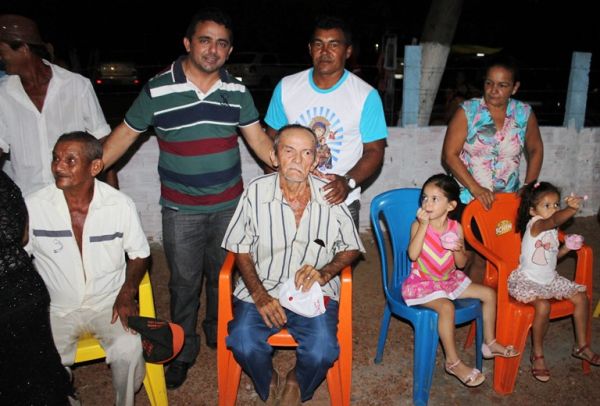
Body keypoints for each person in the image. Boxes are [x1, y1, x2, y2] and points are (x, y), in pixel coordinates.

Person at [100, 8, 274, 389]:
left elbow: (259, 140)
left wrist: (289, 162)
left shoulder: (237, 91)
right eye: (205, 40)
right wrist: (93, 164)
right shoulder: (158, 89)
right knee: (183, 284)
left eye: (222, 43)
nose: (213, 49)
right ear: (188, 43)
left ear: (229, 51)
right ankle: (182, 349)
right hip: (181, 209)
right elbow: (124, 135)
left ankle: (217, 331)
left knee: (221, 278)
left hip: (229, 206)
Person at [222, 125, 364, 405]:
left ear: (315, 160)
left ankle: (296, 380)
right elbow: (240, 247)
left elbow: (351, 247)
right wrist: (260, 295)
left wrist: (324, 273)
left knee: (322, 350)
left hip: (312, 291)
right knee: (242, 341)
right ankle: (268, 380)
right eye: (289, 151)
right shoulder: (256, 192)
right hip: (263, 286)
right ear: (274, 157)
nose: (298, 160)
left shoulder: (331, 195)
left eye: (306, 153)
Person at [25, 132, 149, 406]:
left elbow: (140, 254)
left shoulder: (119, 205)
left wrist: (127, 293)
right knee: (37, 360)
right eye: (56, 158)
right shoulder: (33, 207)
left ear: (95, 167)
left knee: (129, 349)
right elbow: (19, 259)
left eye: (70, 160)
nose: (59, 166)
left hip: (107, 302)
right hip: (56, 307)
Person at [264, 15, 388, 228]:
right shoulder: (286, 88)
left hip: (340, 201)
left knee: (339, 251)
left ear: (348, 51)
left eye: (334, 45)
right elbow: (269, 143)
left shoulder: (365, 95)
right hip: (289, 200)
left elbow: (375, 151)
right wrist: (279, 185)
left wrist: (347, 182)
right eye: (319, 44)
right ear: (310, 48)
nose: (325, 51)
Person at [402, 174, 519, 388]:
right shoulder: (417, 226)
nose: (427, 203)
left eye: (435, 199)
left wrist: (457, 249)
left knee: (488, 294)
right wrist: (423, 226)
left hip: (448, 280)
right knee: (446, 307)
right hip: (423, 283)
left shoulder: (456, 228)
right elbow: (412, 254)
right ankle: (452, 362)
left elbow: (461, 263)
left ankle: (489, 343)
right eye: (425, 197)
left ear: (451, 205)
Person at [442, 55, 544, 282]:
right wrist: (476, 189)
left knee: (490, 257)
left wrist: (529, 186)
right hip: (468, 197)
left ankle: (481, 301)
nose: (493, 90)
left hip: (506, 200)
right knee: (464, 257)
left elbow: (536, 149)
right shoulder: (468, 111)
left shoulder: (523, 113)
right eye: (489, 83)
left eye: (502, 85)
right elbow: (449, 155)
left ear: (514, 88)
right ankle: (455, 298)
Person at [0, 14, 114, 195]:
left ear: (23, 48)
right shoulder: (3, 94)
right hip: (28, 199)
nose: (1, 58)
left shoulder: (77, 86)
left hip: (74, 196)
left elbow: (103, 142)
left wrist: (112, 191)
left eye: (2, 51)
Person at [508, 181, 599, 382]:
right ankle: (537, 354)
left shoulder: (551, 230)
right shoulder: (537, 224)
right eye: (547, 205)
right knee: (543, 307)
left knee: (581, 297)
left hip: (549, 280)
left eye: (556, 204)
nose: (553, 209)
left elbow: (551, 257)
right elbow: (554, 220)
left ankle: (581, 346)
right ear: (533, 211)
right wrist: (571, 210)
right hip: (528, 280)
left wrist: (567, 247)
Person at [0, 170, 74, 405]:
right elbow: (22, 237)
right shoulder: (5, 183)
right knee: (39, 369)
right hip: (27, 289)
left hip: (12, 299)